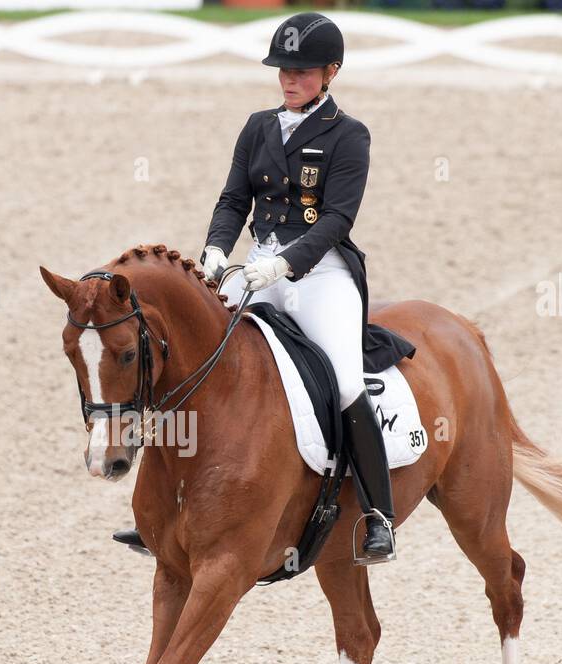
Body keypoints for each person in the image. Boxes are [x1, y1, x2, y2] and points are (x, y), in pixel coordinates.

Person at [114, 11, 396, 563]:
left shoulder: (349, 135)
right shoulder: (258, 126)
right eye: (283, 71)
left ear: (331, 72)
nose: (290, 80)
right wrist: (217, 250)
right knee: (201, 360)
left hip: (321, 274)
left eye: (303, 72)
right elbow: (232, 200)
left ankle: (377, 514)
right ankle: (160, 508)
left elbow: (337, 219)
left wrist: (285, 264)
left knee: (341, 380)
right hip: (257, 265)